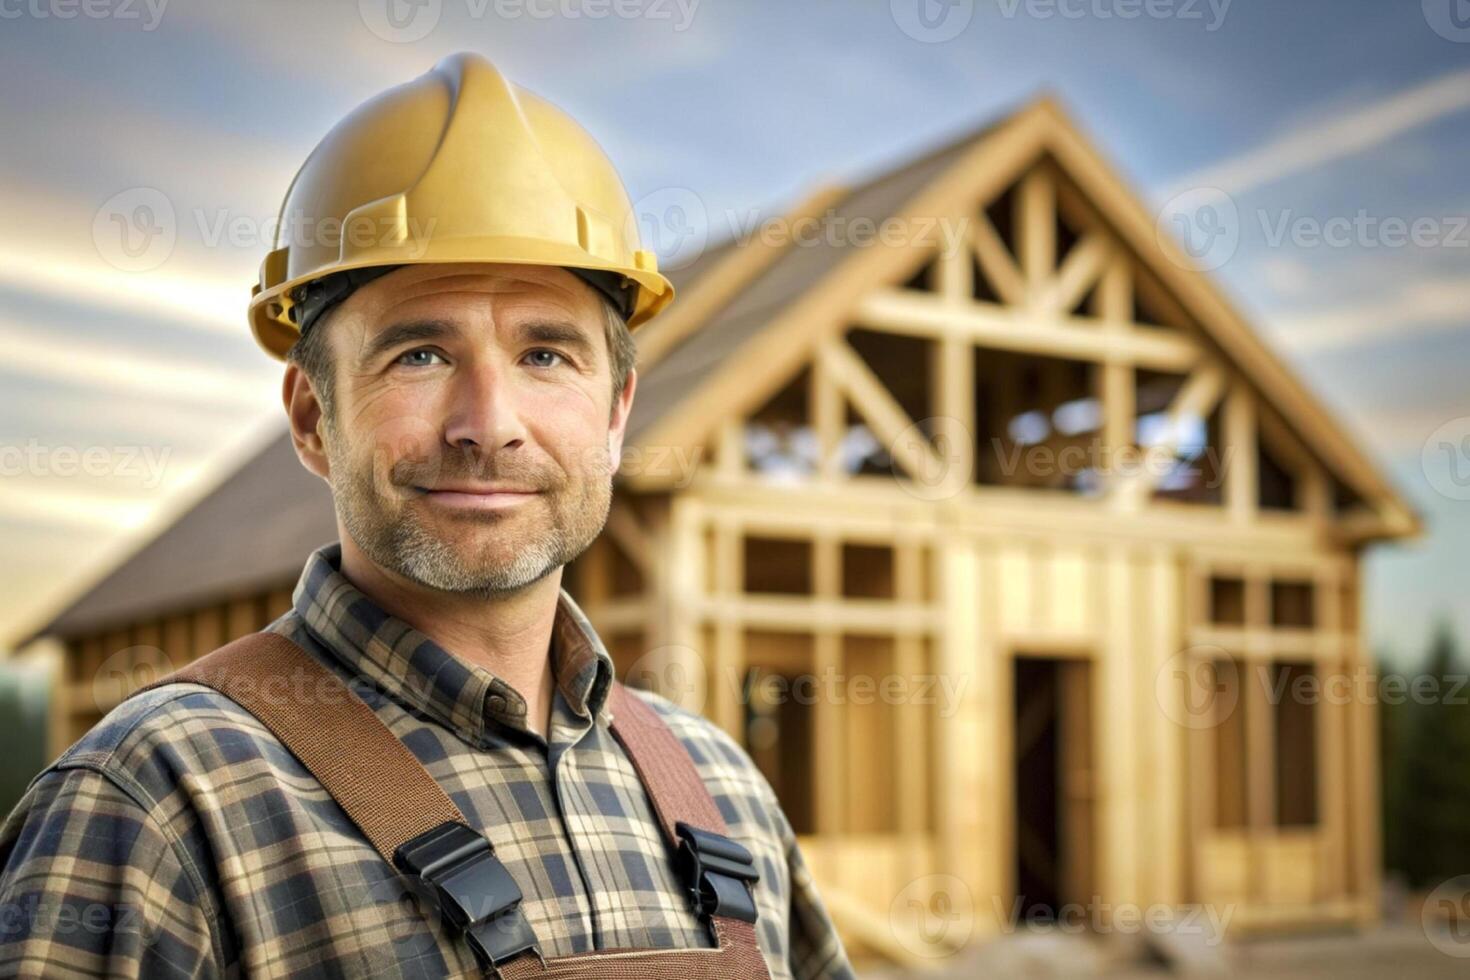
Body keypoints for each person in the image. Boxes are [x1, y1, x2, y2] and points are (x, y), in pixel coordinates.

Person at [0, 52, 854, 979]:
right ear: (312, 416)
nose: (488, 426)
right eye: (418, 354)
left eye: (545, 355)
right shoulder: (156, 803)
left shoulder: (722, 791)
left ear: (615, 414)